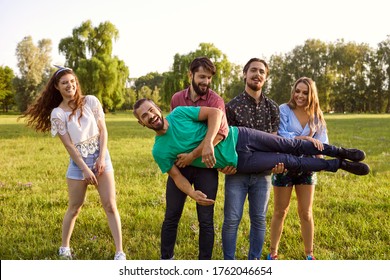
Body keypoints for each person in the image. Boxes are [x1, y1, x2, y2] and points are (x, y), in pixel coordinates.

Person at [133, 99, 369, 207]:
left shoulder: (181, 114)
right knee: (290, 161)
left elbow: (216, 113)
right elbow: (177, 177)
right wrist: (192, 193)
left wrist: (202, 148)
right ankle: (338, 165)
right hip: (239, 160)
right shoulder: (159, 151)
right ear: (142, 124)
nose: (151, 116)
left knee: (290, 145)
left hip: (241, 135)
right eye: (145, 116)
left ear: (157, 108)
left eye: (151, 110)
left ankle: (338, 151)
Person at [20, 66, 126, 260]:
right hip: (79, 162)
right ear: (56, 87)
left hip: (102, 155)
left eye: (72, 81)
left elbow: (103, 131)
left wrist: (101, 158)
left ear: (76, 83)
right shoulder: (57, 114)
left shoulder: (91, 101)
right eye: (64, 83)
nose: (70, 85)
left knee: (110, 205)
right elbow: (69, 146)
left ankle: (120, 252)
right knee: (75, 207)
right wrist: (85, 169)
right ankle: (64, 248)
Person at [162, 57, 231, 260]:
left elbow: (220, 134)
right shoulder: (177, 100)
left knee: (206, 219)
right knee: (171, 216)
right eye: (202, 76)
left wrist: (192, 155)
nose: (206, 82)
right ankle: (165, 261)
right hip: (180, 165)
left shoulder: (216, 101)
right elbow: (175, 130)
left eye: (209, 78)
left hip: (204, 166)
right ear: (190, 75)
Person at [222, 58, 280, 260]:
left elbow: (275, 142)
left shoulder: (272, 107)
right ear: (244, 74)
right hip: (236, 173)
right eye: (253, 70)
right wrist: (223, 166)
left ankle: (253, 262)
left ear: (266, 77)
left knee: (259, 219)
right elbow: (224, 142)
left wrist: (276, 163)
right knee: (231, 220)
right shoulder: (231, 107)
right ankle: (228, 264)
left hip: (263, 175)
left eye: (262, 72)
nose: (257, 74)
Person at [267, 77, 329, 260]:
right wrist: (307, 139)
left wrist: (321, 158)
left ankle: (309, 254)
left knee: (306, 212)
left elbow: (322, 144)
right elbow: (283, 138)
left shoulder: (317, 115)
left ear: (312, 95)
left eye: (305, 92)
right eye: (297, 91)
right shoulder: (283, 110)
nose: (300, 95)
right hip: (284, 165)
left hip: (307, 168)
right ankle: (273, 253)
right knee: (280, 211)